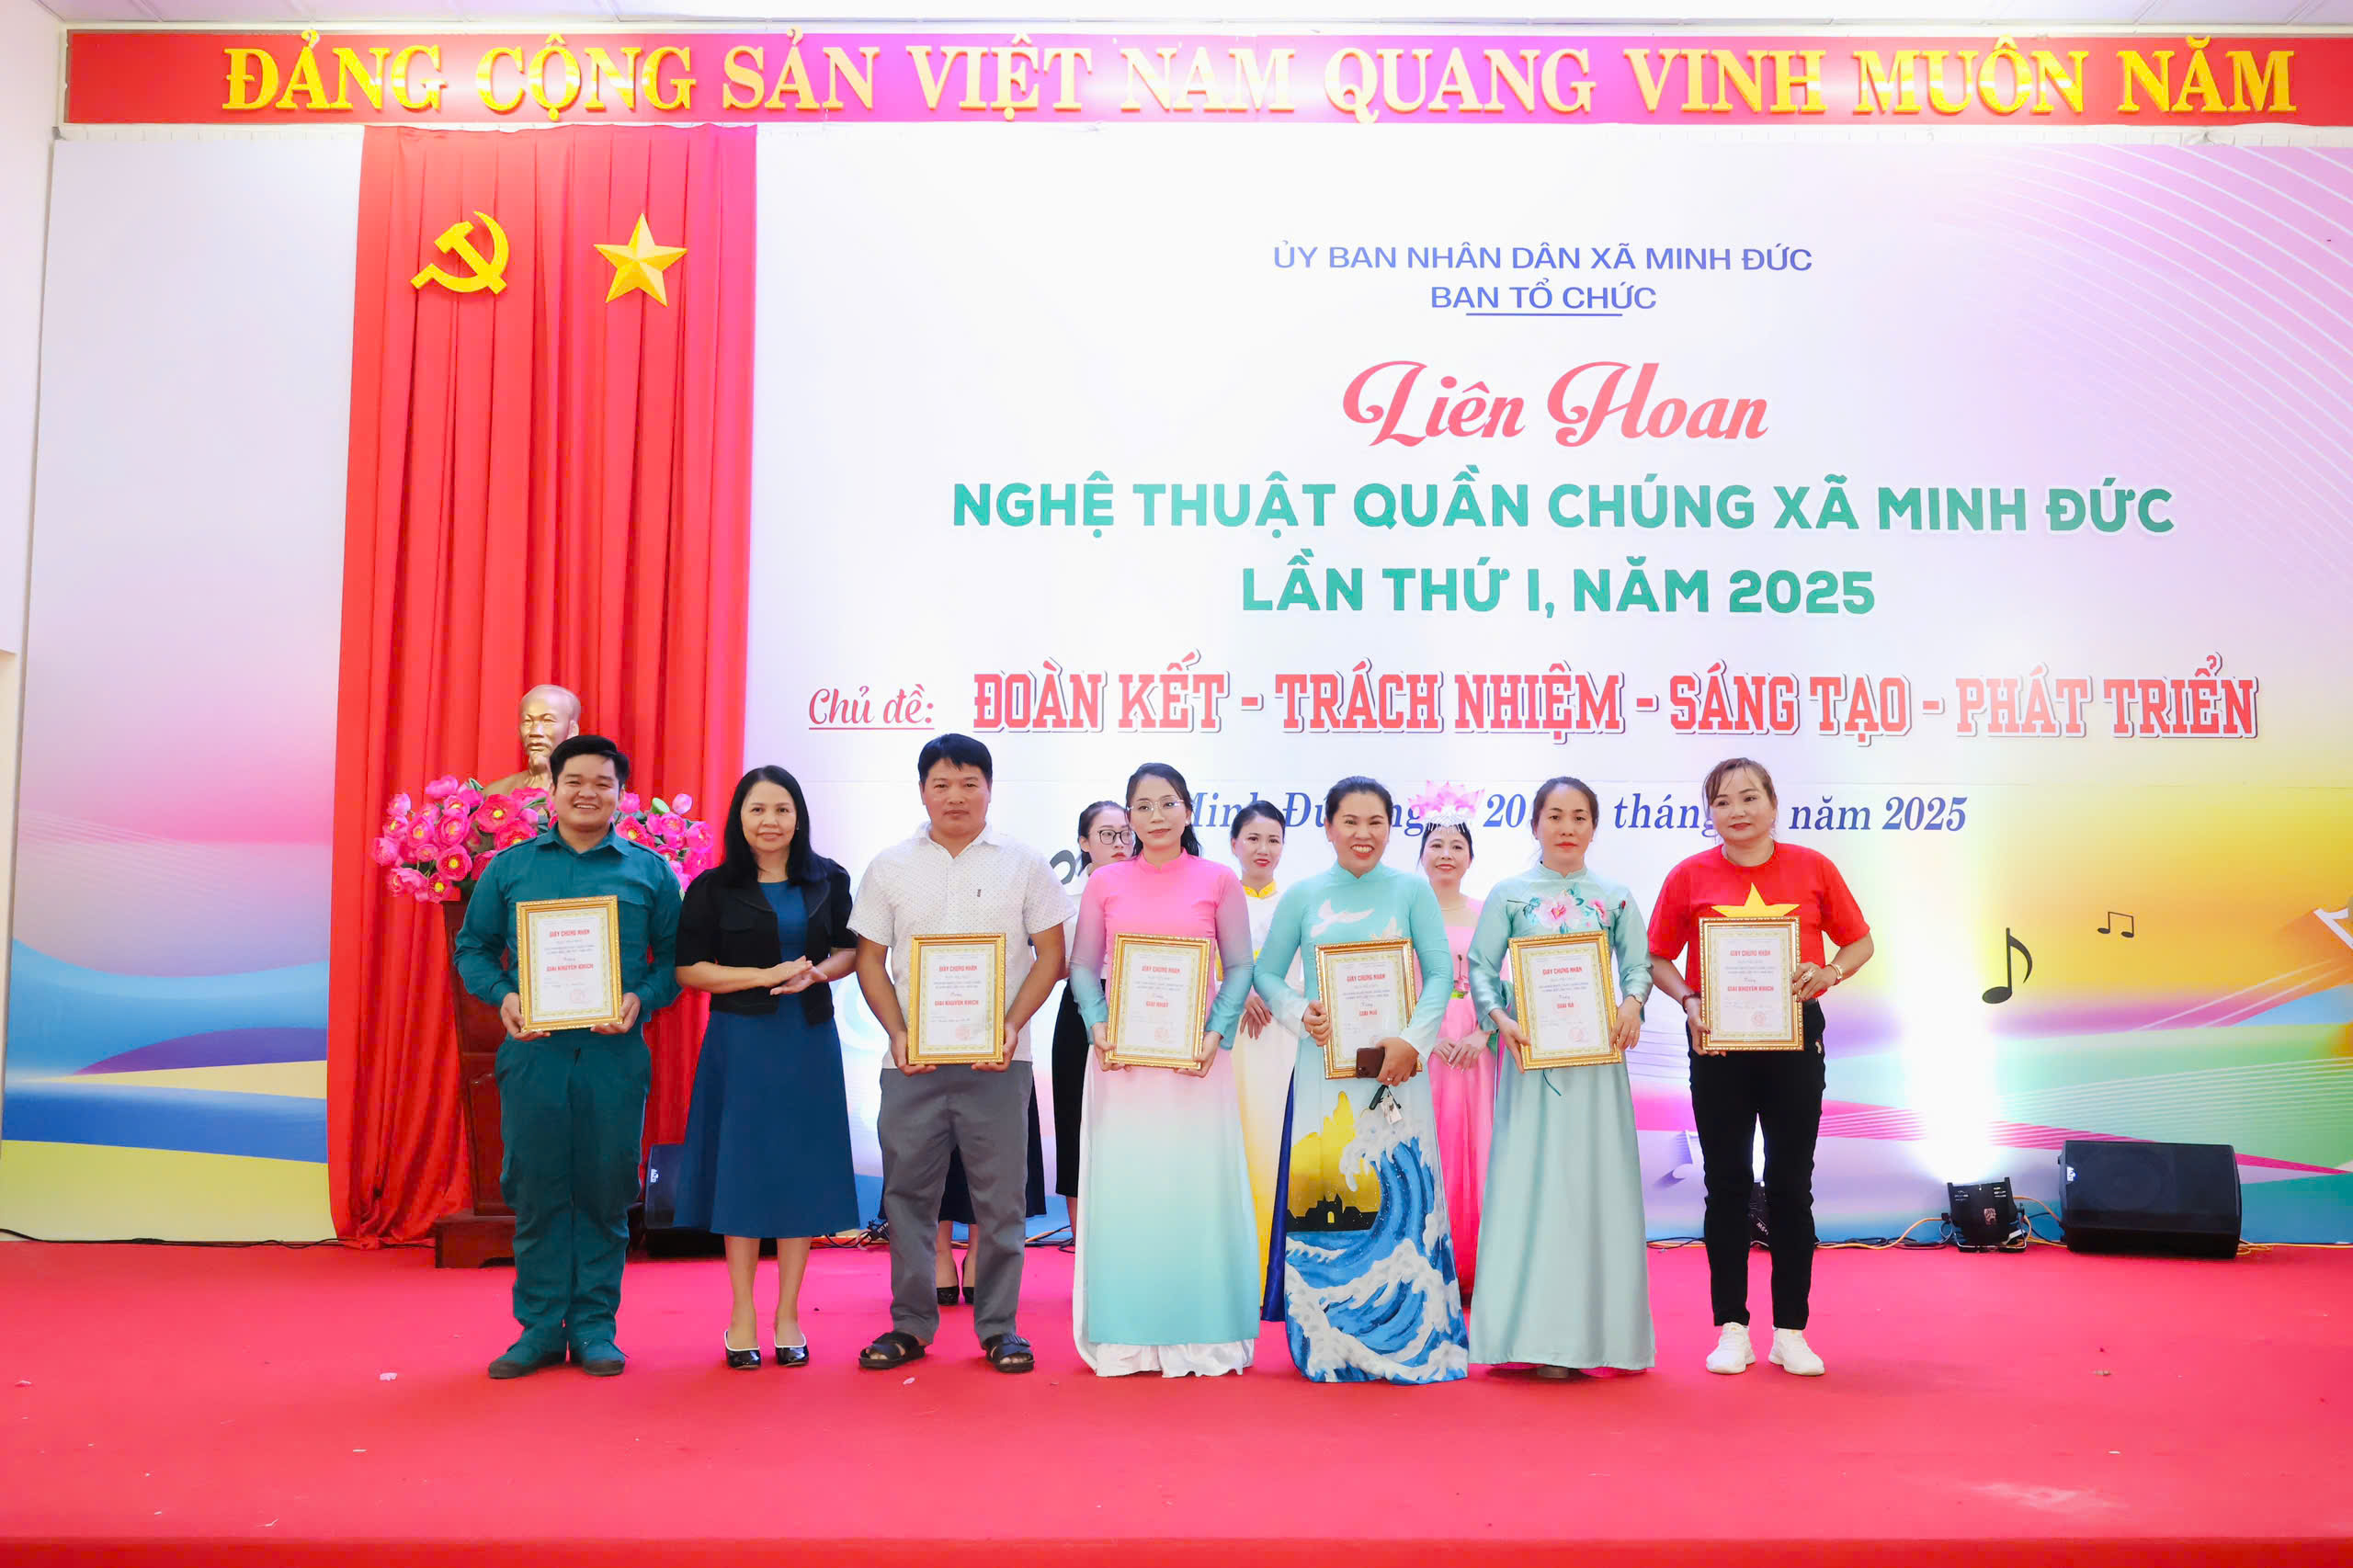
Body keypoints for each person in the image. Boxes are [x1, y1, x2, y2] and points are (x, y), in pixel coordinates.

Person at [455, 734, 682, 1380]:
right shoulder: (510, 869)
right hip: (535, 1055)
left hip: (615, 1055)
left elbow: (674, 961)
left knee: (607, 1190)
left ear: (621, 795)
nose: (588, 793)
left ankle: (593, 1327)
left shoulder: (650, 872)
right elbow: (473, 949)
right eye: (575, 781)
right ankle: (538, 1329)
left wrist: (641, 997)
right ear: (551, 790)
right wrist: (505, 996)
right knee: (535, 1189)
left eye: (603, 783)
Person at [850, 733, 1073, 1375]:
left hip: (998, 1063)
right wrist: (897, 1031)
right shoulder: (889, 866)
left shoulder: (1024, 864)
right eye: (942, 784)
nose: (955, 796)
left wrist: (1011, 1025)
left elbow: (1051, 956)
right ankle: (910, 1324)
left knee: (1001, 1202)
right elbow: (869, 960)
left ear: (989, 790)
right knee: (906, 1198)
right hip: (911, 1063)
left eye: (969, 783)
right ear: (922, 791)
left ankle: (1000, 1327)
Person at [1647, 757, 1874, 1379]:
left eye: (1749, 798)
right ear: (1710, 814)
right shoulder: (1688, 876)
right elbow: (1657, 957)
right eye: (1722, 801)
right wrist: (1689, 1000)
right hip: (1717, 1045)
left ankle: (1790, 1331)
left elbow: (1860, 941)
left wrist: (1830, 972)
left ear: (1774, 805)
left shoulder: (1813, 867)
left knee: (1790, 1185)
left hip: (1795, 1043)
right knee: (1725, 1184)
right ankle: (1732, 1328)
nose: (1737, 811)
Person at [1253, 777, 1469, 1384]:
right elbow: (1267, 975)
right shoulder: (1303, 896)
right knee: (1331, 1203)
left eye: (1375, 822)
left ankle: (1415, 1340)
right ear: (1327, 827)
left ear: (1391, 828)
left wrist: (1413, 1041)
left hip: (1399, 1071)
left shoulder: (1411, 891)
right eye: (1350, 821)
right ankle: (1330, 1344)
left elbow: (1437, 976)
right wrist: (1299, 1012)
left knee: (1407, 1195)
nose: (1363, 834)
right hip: (1325, 1072)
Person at [1066, 764, 1257, 1376]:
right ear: (1128, 817)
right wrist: (1097, 1024)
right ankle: (1128, 1333)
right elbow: (1082, 966)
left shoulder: (1218, 880)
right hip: (1122, 1063)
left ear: (1188, 810)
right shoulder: (1105, 883)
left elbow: (1240, 967)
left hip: (1196, 1063)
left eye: (1167, 803)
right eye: (1143, 806)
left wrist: (1215, 1033)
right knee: (1130, 1189)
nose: (1156, 816)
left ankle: (1202, 1332)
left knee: (1193, 1187)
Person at [1466, 777, 1655, 1377]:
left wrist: (1632, 1004)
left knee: (1593, 1184)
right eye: (1555, 815)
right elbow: (1480, 966)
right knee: (1531, 1183)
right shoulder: (1509, 896)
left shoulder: (1616, 897)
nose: (1567, 827)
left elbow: (1639, 964)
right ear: (1535, 824)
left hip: (1598, 1066)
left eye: (1579, 816)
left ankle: (1595, 1337)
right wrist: (1499, 1019)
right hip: (1531, 1063)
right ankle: (1526, 1335)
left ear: (1594, 827)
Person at [672, 767, 859, 1369]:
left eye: (782, 809)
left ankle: (789, 1315)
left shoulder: (829, 879)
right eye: (757, 810)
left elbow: (850, 949)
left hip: (807, 1040)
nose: (770, 821)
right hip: (742, 1042)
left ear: (798, 817)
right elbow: (689, 968)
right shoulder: (713, 887)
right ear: (740, 818)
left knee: (799, 1172)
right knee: (744, 1171)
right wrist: (764, 975)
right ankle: (742, 1316)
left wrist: (816, 973)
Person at [1049, 801, 1131, 1236]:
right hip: (1081, 1008)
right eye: (1106, 834)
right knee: (1075, 1122)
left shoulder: (1149, 892)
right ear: (1083, 842)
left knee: (1132, 1125)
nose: (1119, 843)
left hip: (1139, 1007)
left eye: (1126, 833)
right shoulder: (1066, 903)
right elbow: (1055, 966)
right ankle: (1082, 1244)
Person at [1418, 819, 1492, 1299]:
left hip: (1475, 1050)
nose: (1446, 853)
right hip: (1422, 1049)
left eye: (1457, 845)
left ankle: (1475, 1262)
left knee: (1477, 1143)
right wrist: (1423, 1039)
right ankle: (1425, 1265)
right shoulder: (1407, 910)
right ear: (1422, 854)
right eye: (1437, 844)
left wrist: (1485, 1033)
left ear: (1470, 857)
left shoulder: (1487, 913)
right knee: (1428, 1145)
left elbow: (1504, 980)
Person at [1227, 801, 1295, 1317]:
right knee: (1232, 1143)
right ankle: (1230, 1273)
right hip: (1230, 1039)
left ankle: (1274, 1275)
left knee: (1274, 1145)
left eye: (1273, 839)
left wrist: (1269, 993)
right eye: (1253, 838)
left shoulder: (1294, 905)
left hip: (1280, 1038)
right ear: (1234, 844)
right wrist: (1239, 991)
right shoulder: (1217, 899)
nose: (1263, 849)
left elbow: (1306, 970)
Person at [483, 684, 583, 798]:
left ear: (572, 731)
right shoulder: (495, 793)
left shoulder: (588, 793)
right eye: (527, 721)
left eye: (548, 721)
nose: (535, 732)